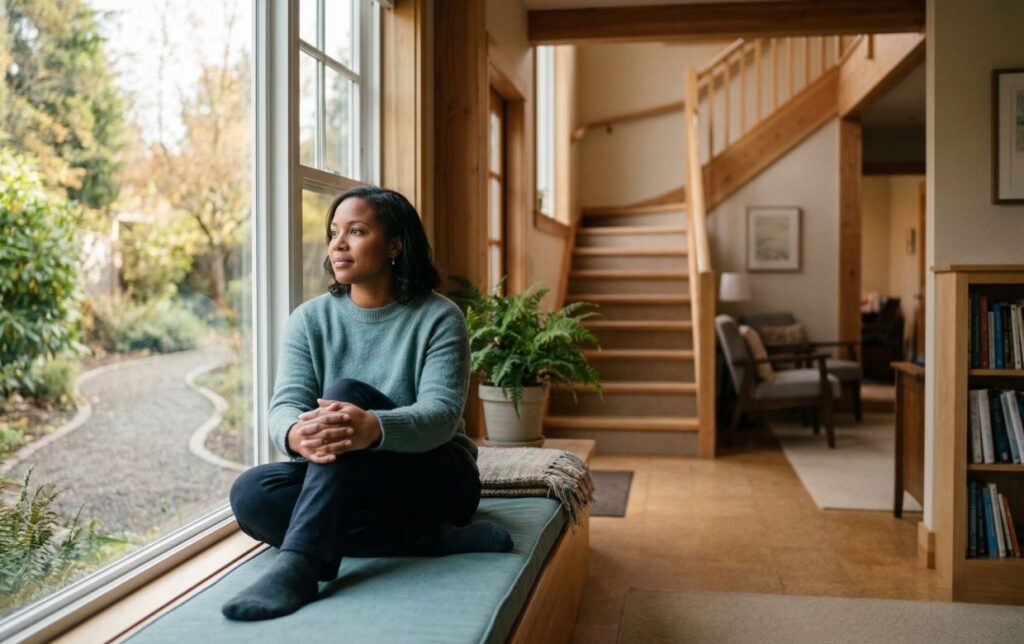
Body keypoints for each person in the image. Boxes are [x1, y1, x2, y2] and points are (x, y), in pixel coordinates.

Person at [222, 186, 513, 621]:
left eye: (356, 231)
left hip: (435, 478)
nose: (338, 243)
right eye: (334, 232)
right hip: (351, 484)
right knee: (251, 495)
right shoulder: (309, 320)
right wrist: (295, 434)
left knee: (344, 395)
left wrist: (372, 427)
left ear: (395, 244)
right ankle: (428, 541)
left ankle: (301, 563)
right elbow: (284, 406)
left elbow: (440, 416)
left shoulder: (439, 317)